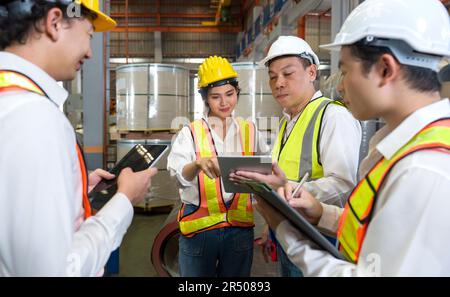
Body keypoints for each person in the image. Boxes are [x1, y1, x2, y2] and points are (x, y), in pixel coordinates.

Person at [255, 0, 450, 276]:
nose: (341, 85)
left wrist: (288, 232)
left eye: (345, 71)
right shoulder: (404, 149)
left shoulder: (424, 169)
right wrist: (322, 213)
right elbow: (375, 227)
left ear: (385, 69)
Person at [0, 0, 157, 276]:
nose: (90, 53)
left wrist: (74, 189)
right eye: (89, 35)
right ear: (55, 22)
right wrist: (123, 199)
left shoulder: (11, 101)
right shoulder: (34, 117)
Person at [231, 36, 362, 276]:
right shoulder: (287, 121)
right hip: (289, 231)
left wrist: (287, 192)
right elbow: (283, 172)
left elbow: (343, 184)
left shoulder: (332, 116)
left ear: (311, 72)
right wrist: (272, 224)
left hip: (320, 238)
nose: (278, 83)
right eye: (272, 76)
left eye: (287, 74)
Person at [167, 56, 269, 277]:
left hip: (239, 231)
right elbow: (177, 174)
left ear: (237, 93)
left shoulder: (250, 130)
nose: (224, 103)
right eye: (216, 97)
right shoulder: (191, 133)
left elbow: (267, 174)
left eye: (230, 94)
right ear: (205, 99)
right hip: (200, 233)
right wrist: (196, 164)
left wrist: (270, 220)